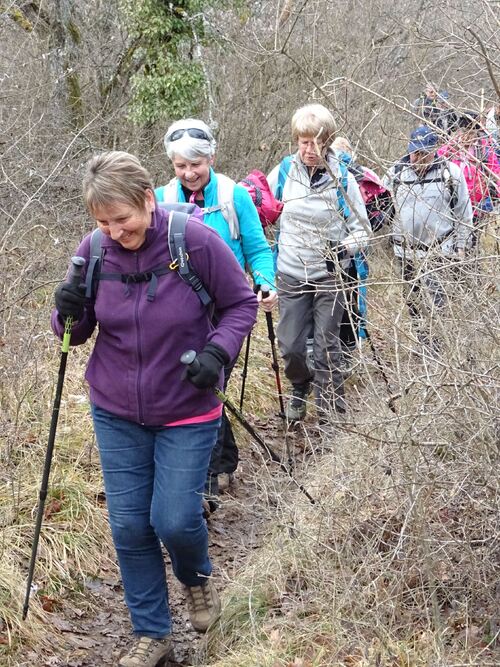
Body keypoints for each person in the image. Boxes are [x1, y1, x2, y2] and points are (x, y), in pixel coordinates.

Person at [51, 151, 257, 667]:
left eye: (122, 220)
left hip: (187, 404)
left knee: (175, 518)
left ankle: (195, 577)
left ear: (148, 199)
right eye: (103, 222)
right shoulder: (95, 251)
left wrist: (218, 353)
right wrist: (66, 313)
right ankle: (152, 634)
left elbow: (241, 305)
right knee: (128, 525)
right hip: (116, 407)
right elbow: (74, 335)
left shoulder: (194, 241)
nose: (115, 232)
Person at [155, 118, 276, 505]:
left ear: (211, 157)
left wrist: (265, 281)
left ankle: (206, 475)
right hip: (178, 313)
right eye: (180, 166)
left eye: (196, 164)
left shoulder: (233, 196)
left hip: (227, 309)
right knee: (198, 384)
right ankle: (222, 458)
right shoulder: (159, 198)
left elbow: (257, 248)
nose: (189, 173)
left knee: (207, 383)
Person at [267, 104, 371, 424]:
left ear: (328, 141)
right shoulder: (284, 172)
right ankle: (300, 386)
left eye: (317, 142)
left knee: (327, 346)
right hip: (290, 272)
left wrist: (342, 247)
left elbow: (362, 230)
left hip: (330, 274)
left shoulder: (343, 178)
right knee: (292, 346)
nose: (310, 149)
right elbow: (262, 211)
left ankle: (331, 417)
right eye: (303, 142)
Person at [384, 125, 473, 351]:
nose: (418, 157)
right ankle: (424, 341)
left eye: (424, 152)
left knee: (438, 299)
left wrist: (462, 245)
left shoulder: (450, 173)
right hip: (404, 251)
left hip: (438, 250)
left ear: (435, 150)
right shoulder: (395, 174)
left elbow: (463, 211)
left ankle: (441, 344)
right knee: (413, 300)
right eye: (415, 152)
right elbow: (381, 208)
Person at [331, 136, 394, 371]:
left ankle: (340, 349)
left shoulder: (336, 174)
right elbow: (385, 204)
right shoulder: (362, 172)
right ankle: (351, 346)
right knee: (354, 298)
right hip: (357, 247)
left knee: (339, 301)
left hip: (337, 248)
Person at [438, 111, 500, 245]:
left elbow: (496, 172)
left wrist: (493, 196)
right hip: (453, 206)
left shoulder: (484, 149)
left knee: (473, 242)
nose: (467, 137)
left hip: (478, 207)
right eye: (464, 132)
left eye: (471, 133)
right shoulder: (448, 150)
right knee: (453, 242)